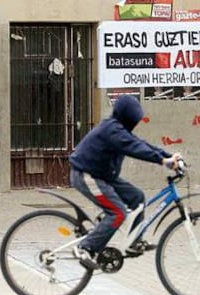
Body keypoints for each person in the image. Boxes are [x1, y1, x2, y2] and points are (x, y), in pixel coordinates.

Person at [69, 94, 181, 270]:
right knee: (118, 212)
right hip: (86, 175)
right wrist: (162, 161)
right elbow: (136, 149)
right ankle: (84, 248)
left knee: (137, 197)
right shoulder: (112, 130)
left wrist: (167, 155)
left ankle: (134, 242)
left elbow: (140, 143)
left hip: (103, 176)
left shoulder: (119, 130)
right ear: (127, 117)